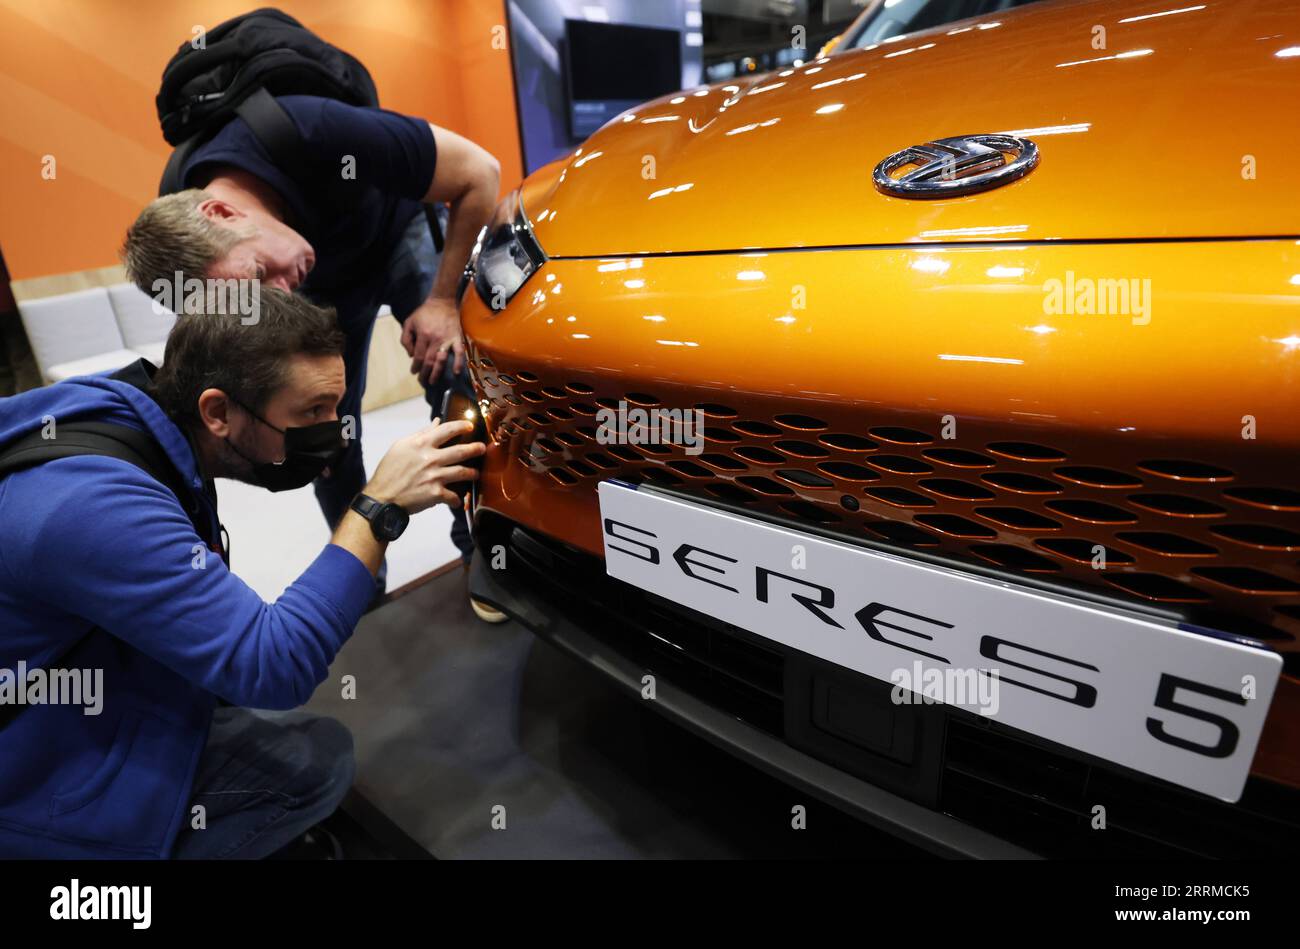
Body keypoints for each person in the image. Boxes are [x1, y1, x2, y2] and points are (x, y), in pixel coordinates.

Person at [0, 289, 483, 858]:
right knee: (319, 759)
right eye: (311, 412)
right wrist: (376, 509)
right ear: (218, 412)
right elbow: (273, 667)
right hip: (30, 777)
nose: (334, 430)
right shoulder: (90, 506)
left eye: (337, 406)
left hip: (79, 693)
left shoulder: (136, 413)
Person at [121, 94, 504, 620]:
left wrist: (441, 303)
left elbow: (481, 173)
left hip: (391, 233)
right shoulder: (188, 235)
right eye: (256, 292)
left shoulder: (308, 129)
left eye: (258, 274)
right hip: (328, 281)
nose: (279, 290)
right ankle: (362, 586)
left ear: (221, 211)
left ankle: (482, 552)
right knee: (324, 443)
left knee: (454, 370)